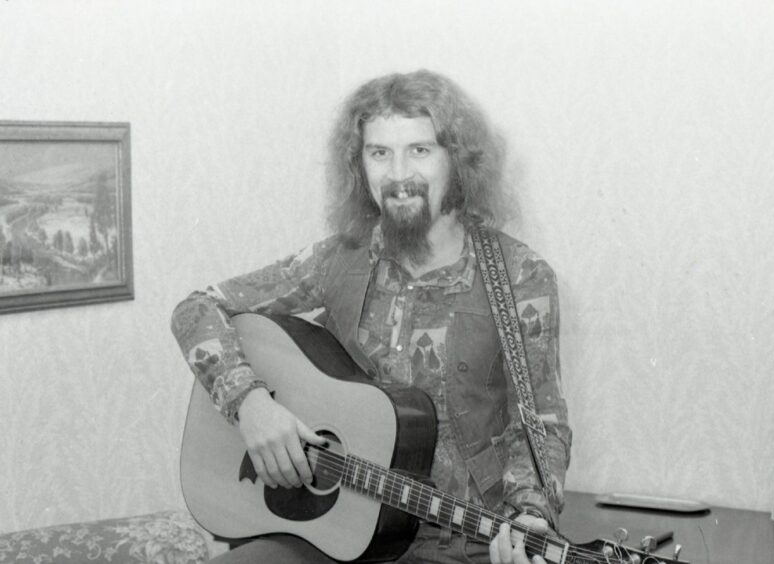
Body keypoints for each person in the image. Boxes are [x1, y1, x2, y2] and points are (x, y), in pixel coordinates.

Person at [171, 69, 571, 564]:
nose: (398, 173)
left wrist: (529, 517)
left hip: (465, 541)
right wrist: (251, 406)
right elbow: (197, 308)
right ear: (359, 165)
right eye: (379, 153)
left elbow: (542, 422)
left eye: (420, 150)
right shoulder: (337, 259)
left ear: (459, 161)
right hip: (335, 527)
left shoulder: (521, 277)